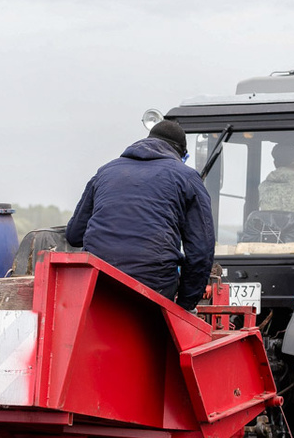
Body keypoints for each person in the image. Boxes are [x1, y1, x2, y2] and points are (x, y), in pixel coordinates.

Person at [66, 120, 214, 311]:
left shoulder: (105, 171)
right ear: (181, 154)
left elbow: (74, 235)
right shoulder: (187, 177)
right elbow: (201, 251)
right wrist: (186, 305)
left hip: (98, 282)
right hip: (154, 286)